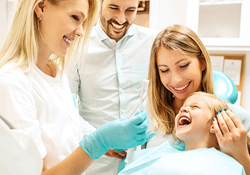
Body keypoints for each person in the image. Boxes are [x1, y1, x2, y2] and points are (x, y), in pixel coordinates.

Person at [0, 0, 154, 174]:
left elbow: (64, 135)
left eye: (83, 22)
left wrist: (104, 141)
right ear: (41, 8)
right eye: (75, 17)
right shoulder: (12, 83)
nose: (81, 32)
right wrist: (97, 142)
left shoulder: (55, 71)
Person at [66, 0, 159, 174]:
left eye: (130, 10)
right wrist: (98, 139)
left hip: (144, 160)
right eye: (113, 8)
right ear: (100, 3)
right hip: (96, 162)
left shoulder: (154, 42)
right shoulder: (77, 44)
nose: (121, 19)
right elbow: (65, 106)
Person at [146, 24, 250, 174]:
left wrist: (240, 154)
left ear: (202, 61)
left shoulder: (237, 120)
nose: (175, 80)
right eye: (164, 70)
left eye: (183, 65)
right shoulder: (149, 117)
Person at [118, 92, 250, 175]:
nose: (183, 109)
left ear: (216, 124)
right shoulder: (161, 153)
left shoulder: (228, 166)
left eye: (195, 107)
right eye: (182, 108)